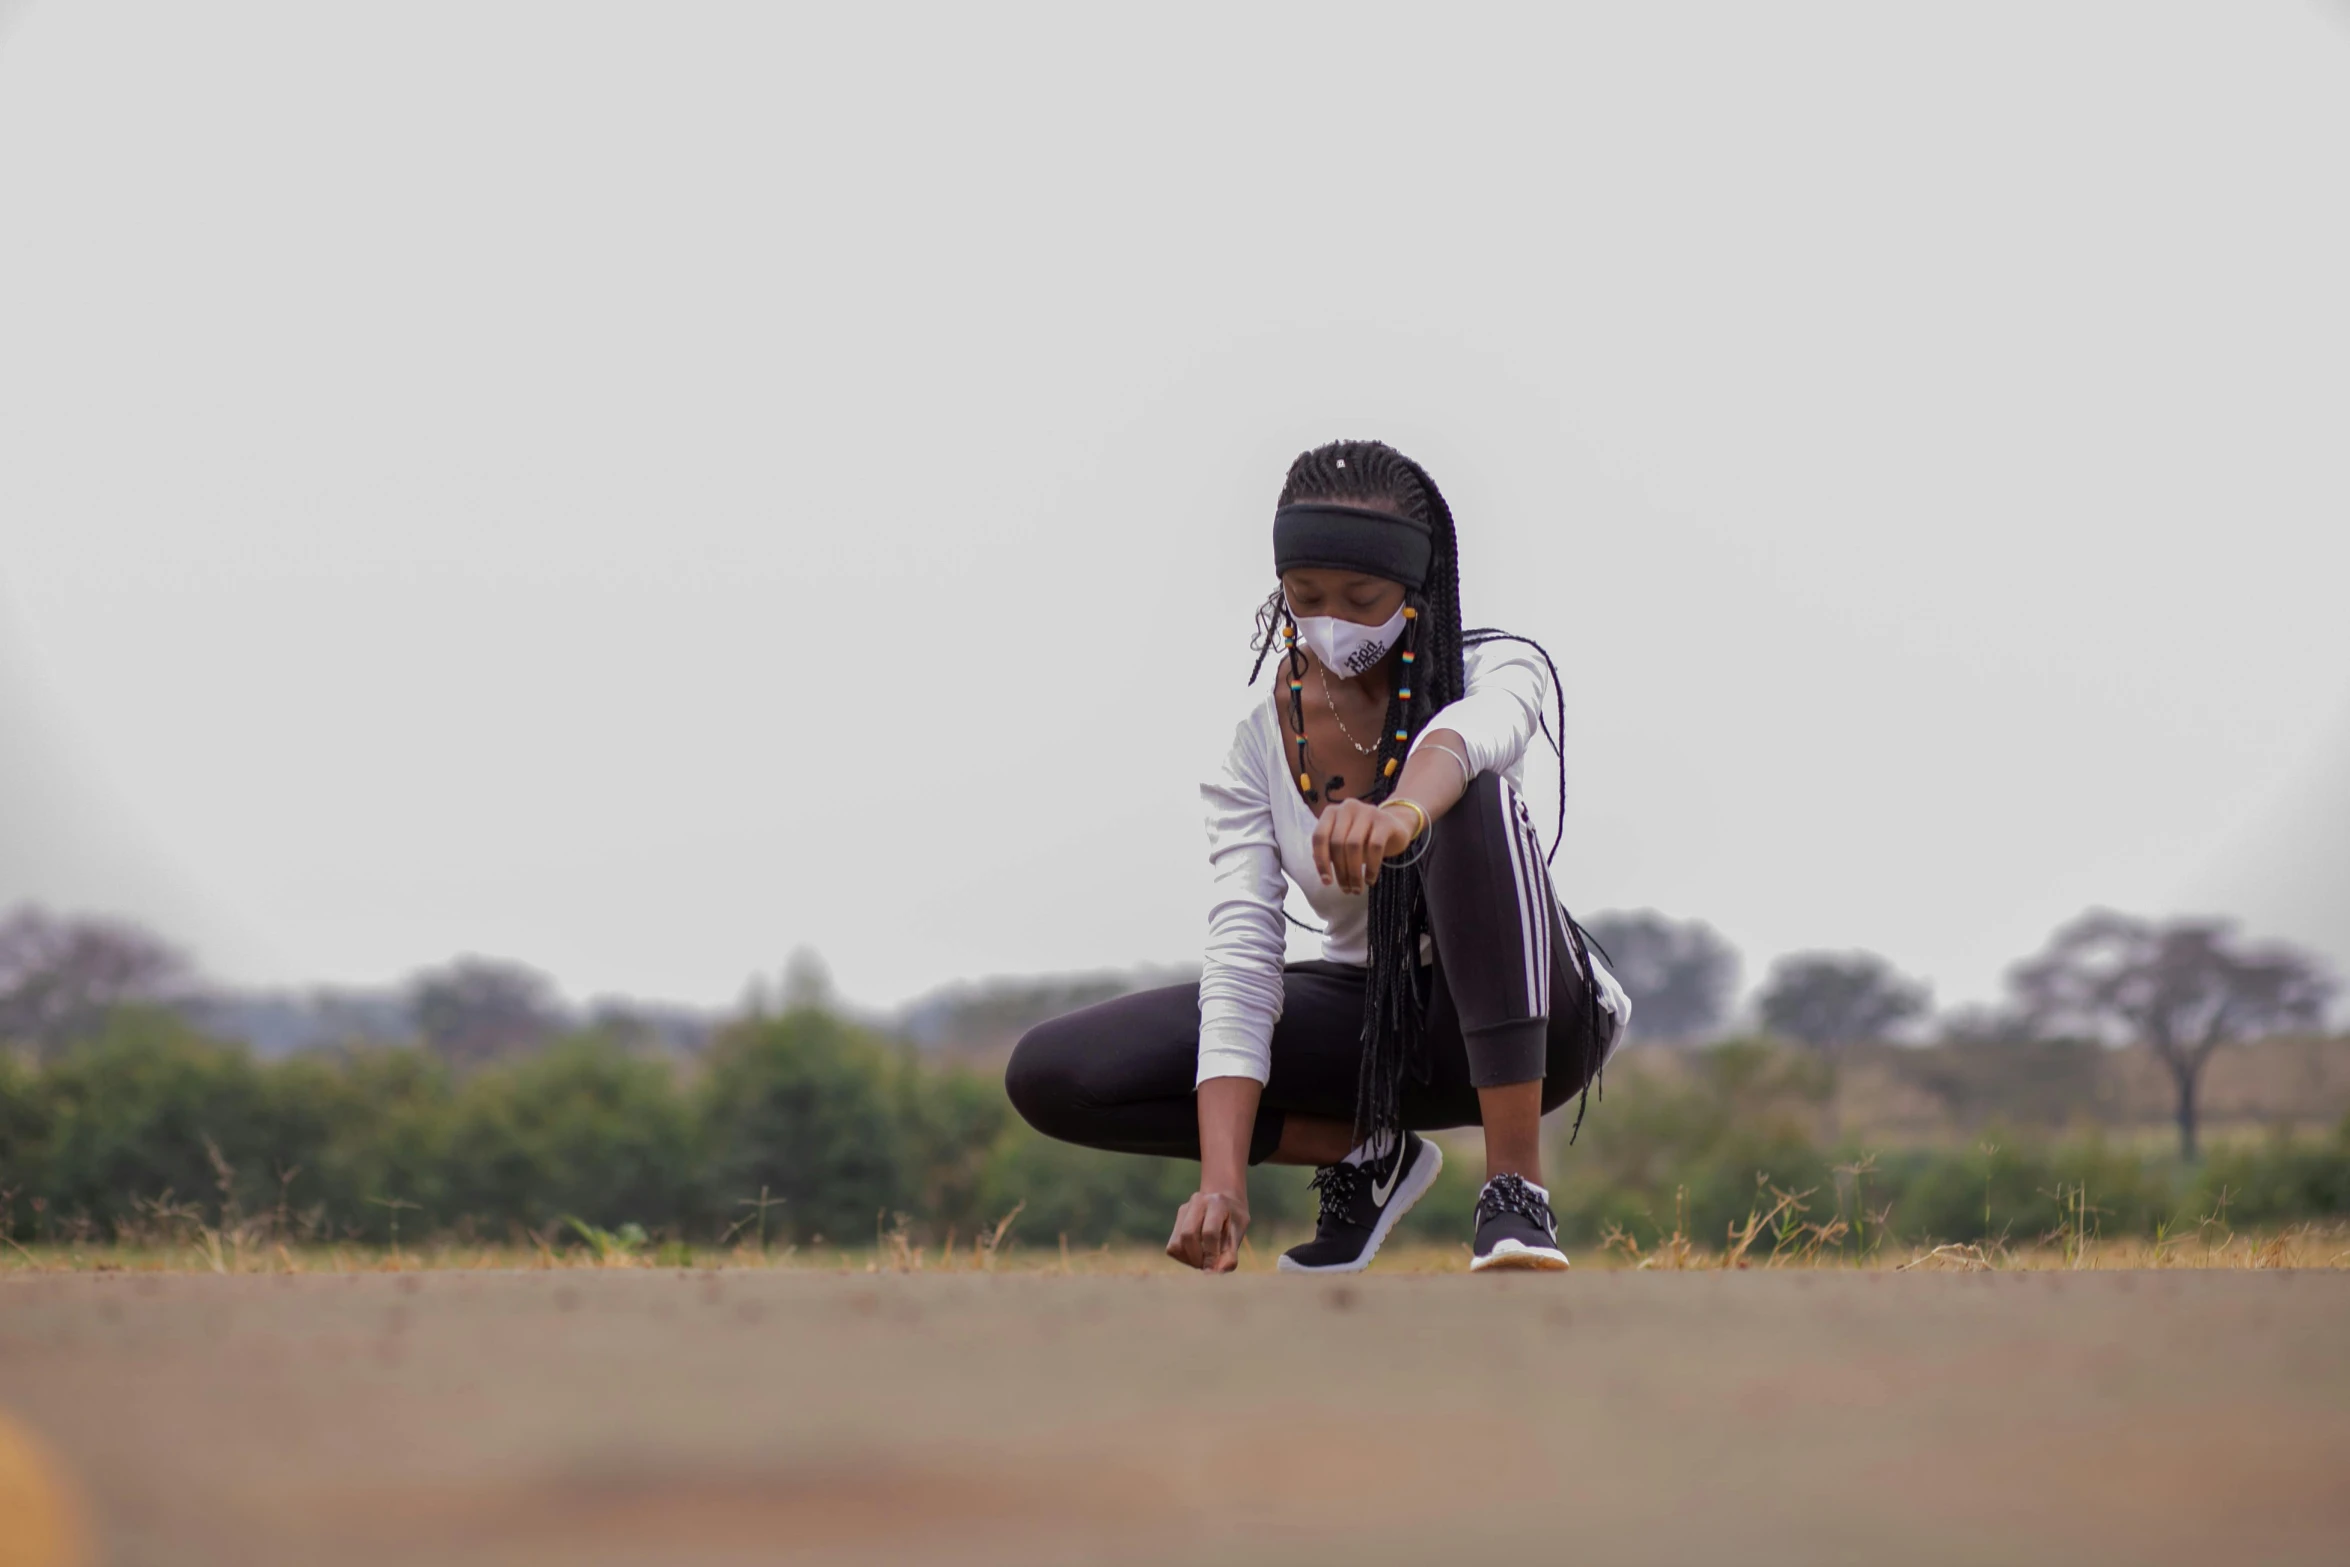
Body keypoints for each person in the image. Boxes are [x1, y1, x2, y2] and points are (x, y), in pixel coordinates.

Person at [1005, 439, 1630, 1274]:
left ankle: (1514, 1190)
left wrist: (1404, 810)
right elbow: (1242, 954)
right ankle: (1369, 1153)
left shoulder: (1491, 667)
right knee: (1055, 1071)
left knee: (1473, 795)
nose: (1331, 620)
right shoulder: (1257, 745)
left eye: (1361, 597)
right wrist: (1222, 1180)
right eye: (1306, 596)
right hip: (1377, 1036)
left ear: (1414, 587)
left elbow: (1471, 736)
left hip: (1538, 1027)